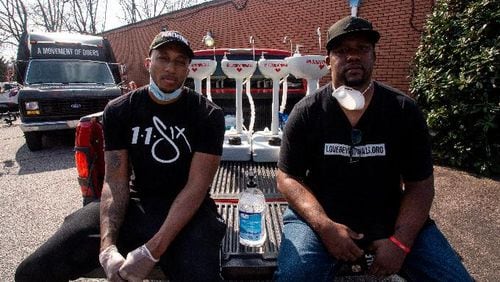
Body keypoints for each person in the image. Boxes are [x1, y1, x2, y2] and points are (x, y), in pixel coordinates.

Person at [15, 30, 227, 281]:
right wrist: (107, 248)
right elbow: (115, 182)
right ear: (148, 63)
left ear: (188, 69)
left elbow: (196, 187)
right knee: (31, 272)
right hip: (137, 204)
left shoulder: (208, 115)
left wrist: (151, 252)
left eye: (180, 61)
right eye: (163, 58)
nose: (171, 67)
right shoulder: (119, 110)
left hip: (190, 211)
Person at [274, 16, 473, 281]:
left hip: (391, 219)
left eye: (362, 49)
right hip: (321, 219)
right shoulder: (307, 112)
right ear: (327, 62)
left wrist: (400, 243)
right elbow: (287, 178)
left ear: (374, 56)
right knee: (294, 276)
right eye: (342, 51)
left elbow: (420, 185)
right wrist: (325, 228)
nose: (353, 56)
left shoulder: (403, 110)